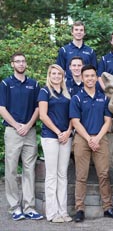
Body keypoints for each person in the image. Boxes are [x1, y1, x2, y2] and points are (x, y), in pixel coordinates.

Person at [69, 64, 113, 222]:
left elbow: (107, 121)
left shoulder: (103, 97)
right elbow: (75, 122)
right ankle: (79, 209)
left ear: (96, 77)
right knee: (81, 176)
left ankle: (108, 208)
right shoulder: (77, 98)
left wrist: (97, 138)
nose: (90, 79)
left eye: (93, 76)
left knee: (104, 174)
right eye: (87, 76)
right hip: (82, 139)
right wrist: (89, 139)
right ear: (82, 77)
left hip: (100, 139)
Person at [0, 52, 43, 221]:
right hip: (13, 131)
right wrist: (17, 125)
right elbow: (2, 108)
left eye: (23, 61)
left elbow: (38, 108)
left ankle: (29, 207)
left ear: (26, 64)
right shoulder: (5, 83)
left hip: (29, 131)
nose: (21, 64)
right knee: (10, 169)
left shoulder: (34, 84)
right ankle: (14, 207)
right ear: (12, 64)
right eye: (17, 61)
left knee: (29, 170)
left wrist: (28, 125)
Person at [38, 64, 73, 223]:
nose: (56, 76)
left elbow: (73, 115)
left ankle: (63, 211)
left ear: (63, 76)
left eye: (59, 74)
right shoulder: (45, 91)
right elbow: (43, 116)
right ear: (49, 75)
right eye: (53, 74)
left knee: (62, 175)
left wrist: (68, 131)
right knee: (51, 176)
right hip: (51, 137)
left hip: (66, 137)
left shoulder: (68, 93)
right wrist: (58, 132)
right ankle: (52, 213)